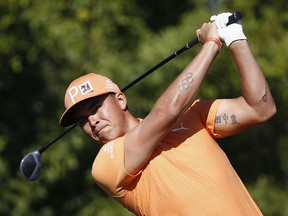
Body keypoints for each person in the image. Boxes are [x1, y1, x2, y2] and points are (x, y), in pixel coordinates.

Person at [59, 12, 276, 215]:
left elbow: (260, 108)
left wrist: (235, 38)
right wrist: (212, 44)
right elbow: (167, 111)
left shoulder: (194, 115)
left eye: (95, 108)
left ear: (120, 99)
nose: (93, 121)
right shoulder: (105, 166)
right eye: (82, 121)